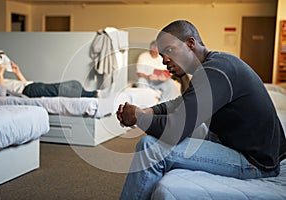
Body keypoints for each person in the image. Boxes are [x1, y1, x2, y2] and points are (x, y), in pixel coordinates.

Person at [117, 20, 286, 200]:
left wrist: (137, 118)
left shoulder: (216, 71)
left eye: (169, 51)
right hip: (248, 149)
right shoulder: (216, 64)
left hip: (256, 163)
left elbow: (175, 129)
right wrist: (149, 111)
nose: (164, 60)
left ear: (190, 43)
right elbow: (180, 102)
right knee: (190, 124)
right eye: (161, 55)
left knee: (150, 147)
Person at [0, 61, 113, 98]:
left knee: (74, 83)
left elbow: (21, 84)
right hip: (29, 91)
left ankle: (91, 93)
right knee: (61, 90)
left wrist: (17, 72)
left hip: (31, 85)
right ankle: (95, 94)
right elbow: (0, 94)